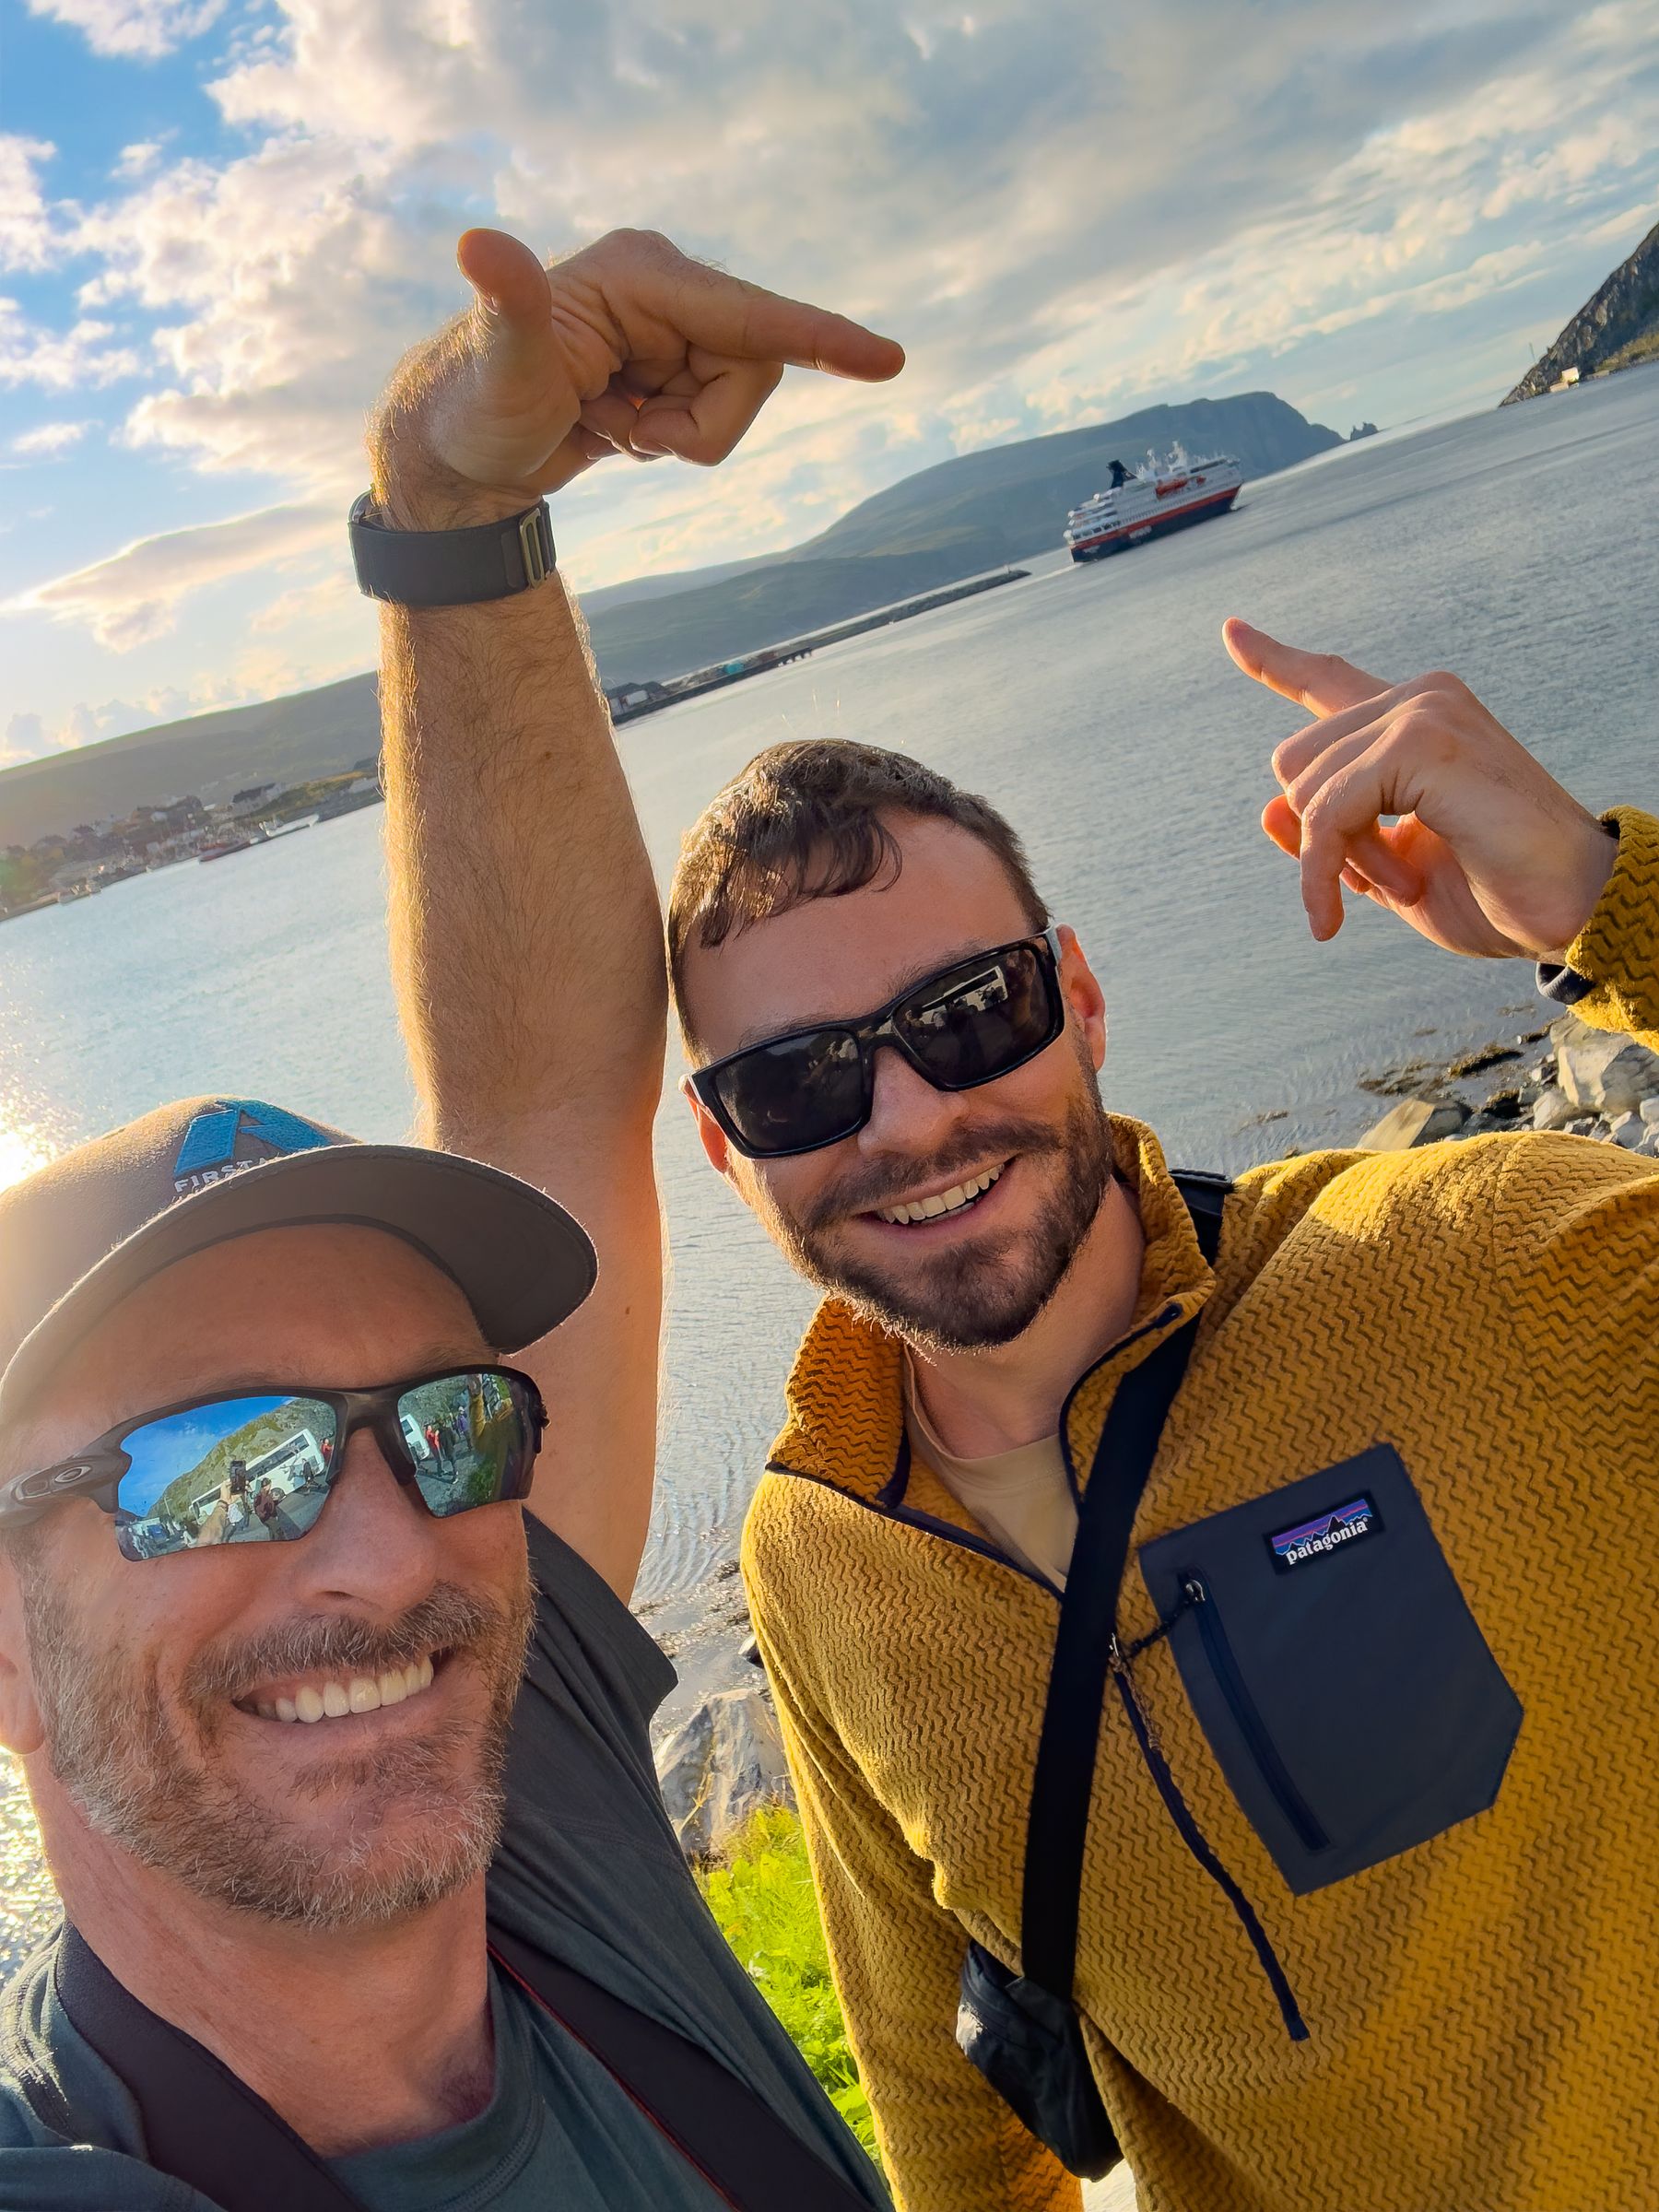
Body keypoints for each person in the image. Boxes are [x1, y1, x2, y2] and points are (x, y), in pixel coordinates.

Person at [0, 225, 904, 2211]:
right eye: (220, 1466)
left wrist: (451, 513)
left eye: (447, 1423)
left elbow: (544, 1105)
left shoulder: (532, 1792)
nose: (385, 1542)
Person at [659, 677, 1659, 2211]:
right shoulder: (817, 1550)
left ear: (1083, 995)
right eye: (800, 1081)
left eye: (970, 1011)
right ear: (727, 1145)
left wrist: (1606, 902)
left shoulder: (1477, 1268)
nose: (914, 1120)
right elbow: (946, 2106)